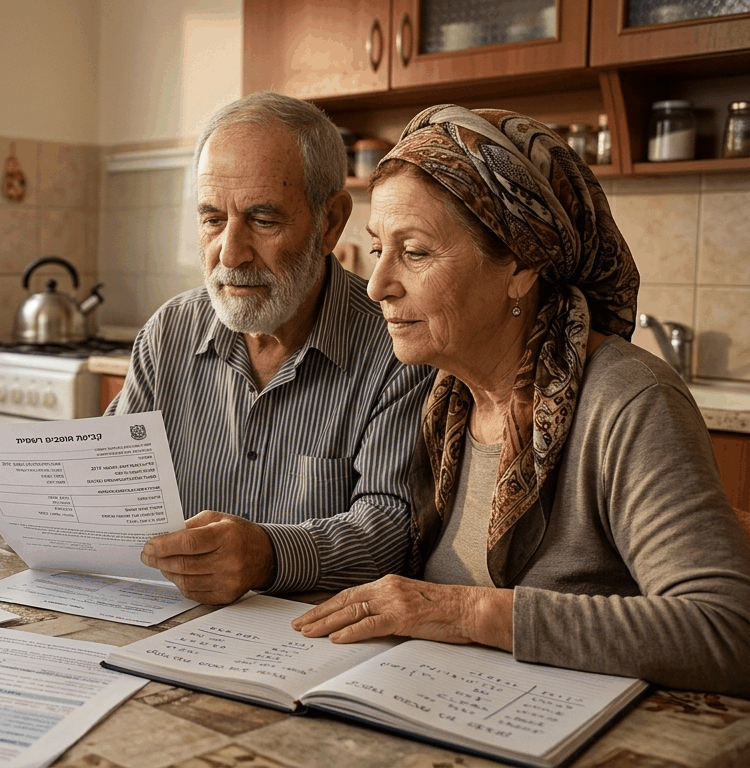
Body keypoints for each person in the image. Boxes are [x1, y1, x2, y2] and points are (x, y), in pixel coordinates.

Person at [294, 105, 750, 696]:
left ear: (521, 266)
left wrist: (466, 613)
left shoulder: (630, 402)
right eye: (379, 248)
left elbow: (727, 631)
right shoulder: (444, 398)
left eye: (416, 251)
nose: (378, 284)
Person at [108, 92, 434, 605]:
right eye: (213, 219)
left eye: (263, 221)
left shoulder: (397, 349)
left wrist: (269, 554)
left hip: (307, 648)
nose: (231, 254)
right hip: (164, 627)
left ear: (330, 223)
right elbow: (109, 481)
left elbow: (393, 533)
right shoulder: (167, 333)